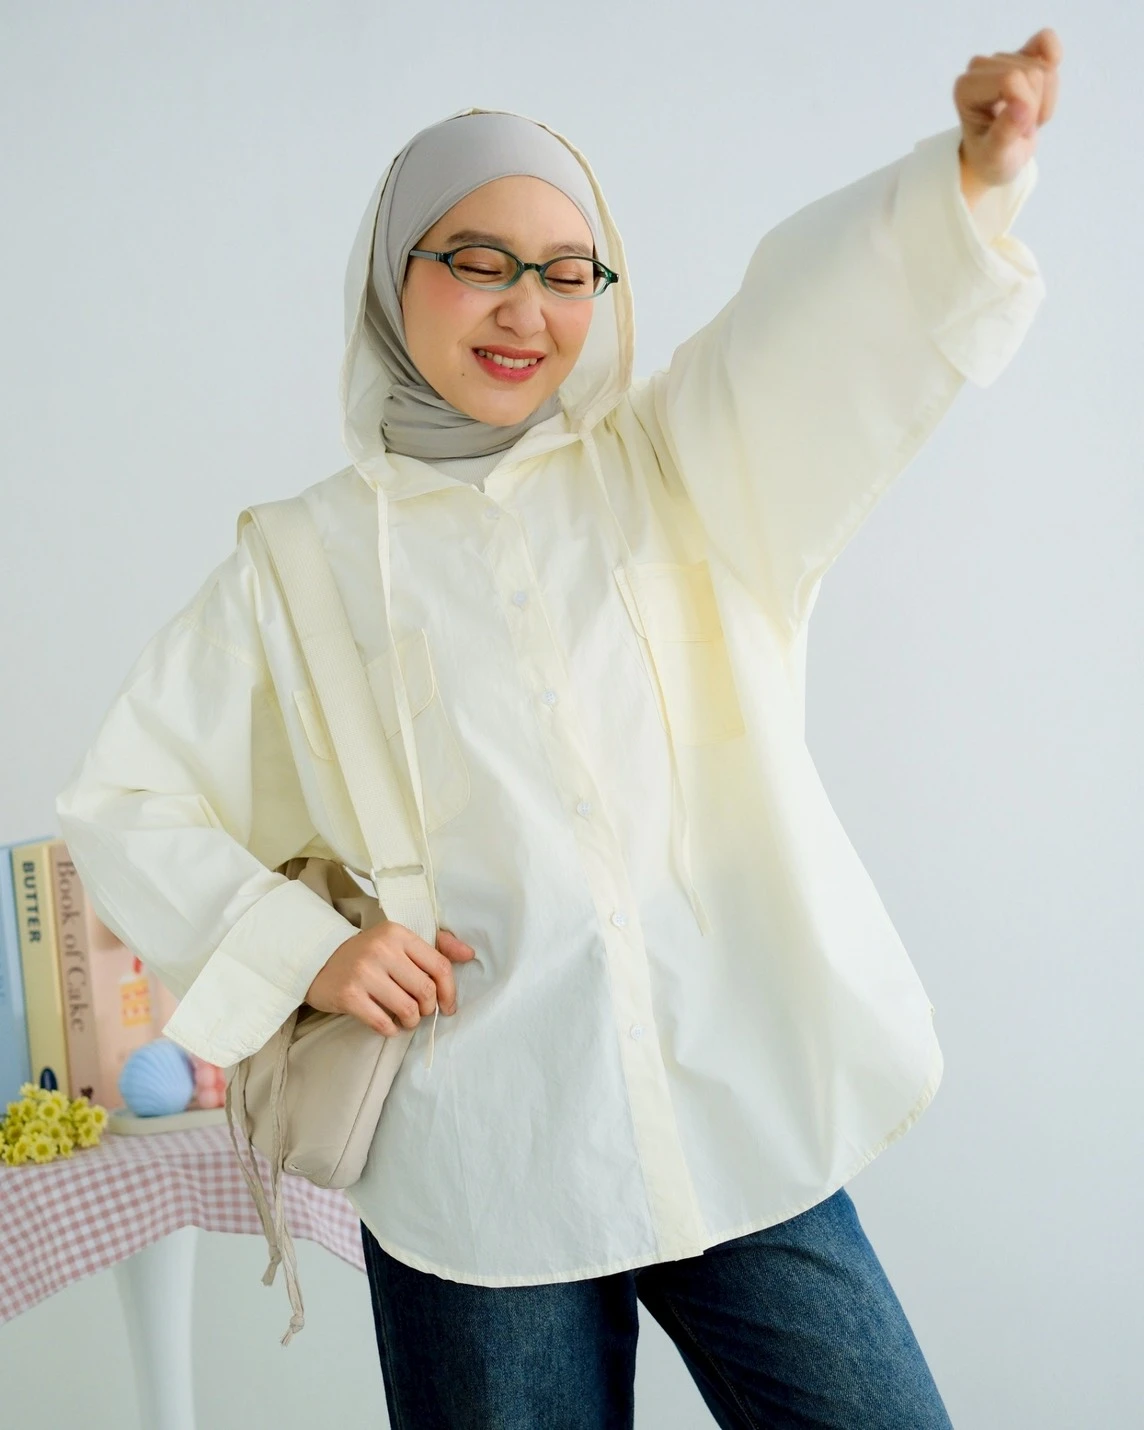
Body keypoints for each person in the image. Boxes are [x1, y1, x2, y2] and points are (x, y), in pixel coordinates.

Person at [56, 28, 1061, 1430]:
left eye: (568, 271)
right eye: (478, 259)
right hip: (483, 1154)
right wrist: (311, 950)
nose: (527, 308)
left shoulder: (673, 465)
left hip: (726, 1101)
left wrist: (964, 180)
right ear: (391, 272)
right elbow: (128, 798)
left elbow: (807, 329)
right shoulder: (297, 563)